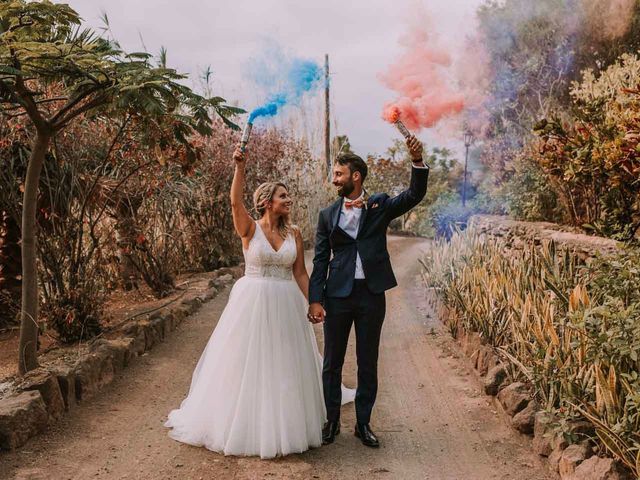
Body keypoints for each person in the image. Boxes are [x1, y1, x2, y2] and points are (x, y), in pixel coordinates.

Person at [164, 144, 354, 459]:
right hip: (252, 302)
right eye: (283, 196)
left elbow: (301, 274)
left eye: (288, 195)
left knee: (285, 364)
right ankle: (246, 424)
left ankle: (286, 425)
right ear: (267, 202)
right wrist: (239, 167)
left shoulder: (294, 233)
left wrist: (314, 304)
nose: (288, 199)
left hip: (287, 305)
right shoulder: (249, 229)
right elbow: (234, 201)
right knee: (247, 363)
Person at [308, 134, 428, 448]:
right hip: (337, 294)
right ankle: (331, 422)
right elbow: (321, 259)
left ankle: (363, 424)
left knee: (367, 361)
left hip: (372, 294)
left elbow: (414, 194)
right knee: (332, 361)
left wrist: (416, 161)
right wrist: (316, 299)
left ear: (355, 176)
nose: (334, 179)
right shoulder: (327, 215)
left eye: (339, 174)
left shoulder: (380, 205)